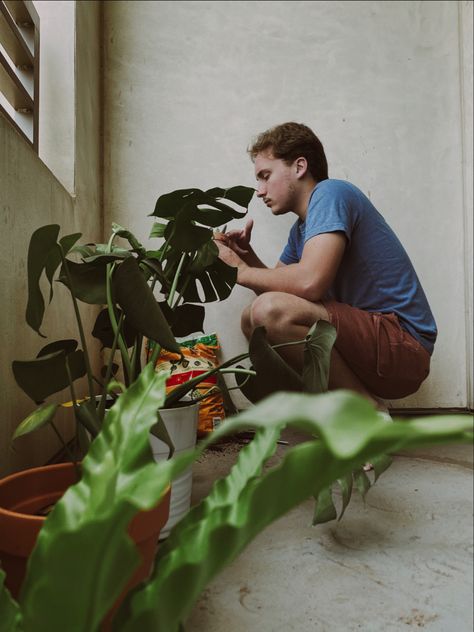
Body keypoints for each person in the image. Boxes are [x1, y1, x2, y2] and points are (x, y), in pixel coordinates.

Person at [214, 122, 437, 412]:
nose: (260, 191)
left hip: (403, 346)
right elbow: (282, 295)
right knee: (253, 320)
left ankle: (365, 411)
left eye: (265, 176)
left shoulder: (331, 194)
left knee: (268, 312)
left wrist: (238, 271)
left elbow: (309, 284)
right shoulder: (301, 230)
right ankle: (331, 410)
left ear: (299, 166)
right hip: (372, 344)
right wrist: (247, 259)